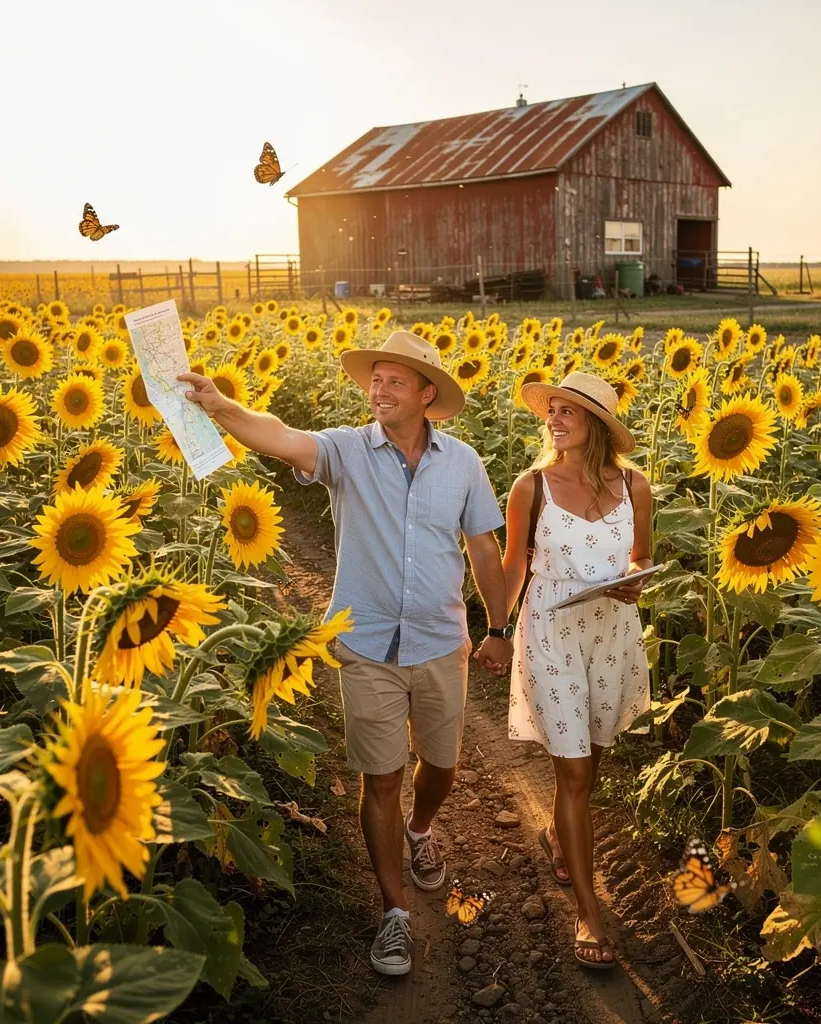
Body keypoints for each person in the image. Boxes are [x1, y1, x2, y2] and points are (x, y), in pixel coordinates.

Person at [178, 330, 515, 977]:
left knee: (440, 766)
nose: (378, 390)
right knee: (381, 778)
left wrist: (499, 626)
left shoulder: (464, 463)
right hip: (366, 645)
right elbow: (280, 436)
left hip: (440, 640)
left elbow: (482, 547)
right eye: (374, 380)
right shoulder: (345, 451)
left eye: (394, 381)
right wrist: (220, 406)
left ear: (426, 394)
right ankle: (394, 914)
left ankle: (421, 830)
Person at [501, 371, 653, 969]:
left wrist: (636, 579)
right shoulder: (531, 487)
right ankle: (588, 911)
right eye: (552, 410)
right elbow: (514, 567)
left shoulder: (636, 485)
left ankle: (559, 838)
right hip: (550, 631)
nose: (554, 419)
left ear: (598, 425)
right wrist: (493, 629)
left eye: (568, 411)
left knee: (594, 757)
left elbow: (641, 554)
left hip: (612, 633)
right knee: (575, 769)